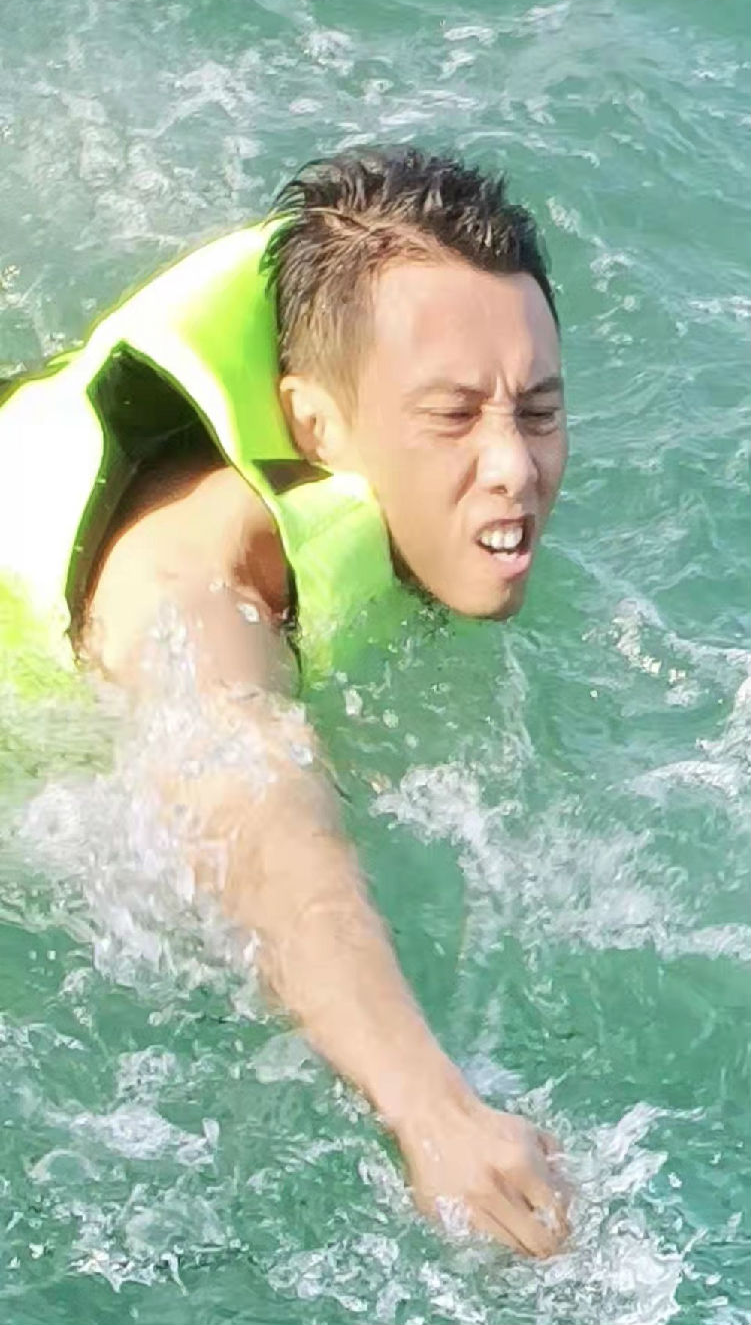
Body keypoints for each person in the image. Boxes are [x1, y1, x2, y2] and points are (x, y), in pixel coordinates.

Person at [0, 148, 569, 1256]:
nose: (513, 465)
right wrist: (432, 1107)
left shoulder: (400, 409)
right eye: (453, 416)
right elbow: (256, 816)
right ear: (316, 427)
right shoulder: (195, 582)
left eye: (538, 411)